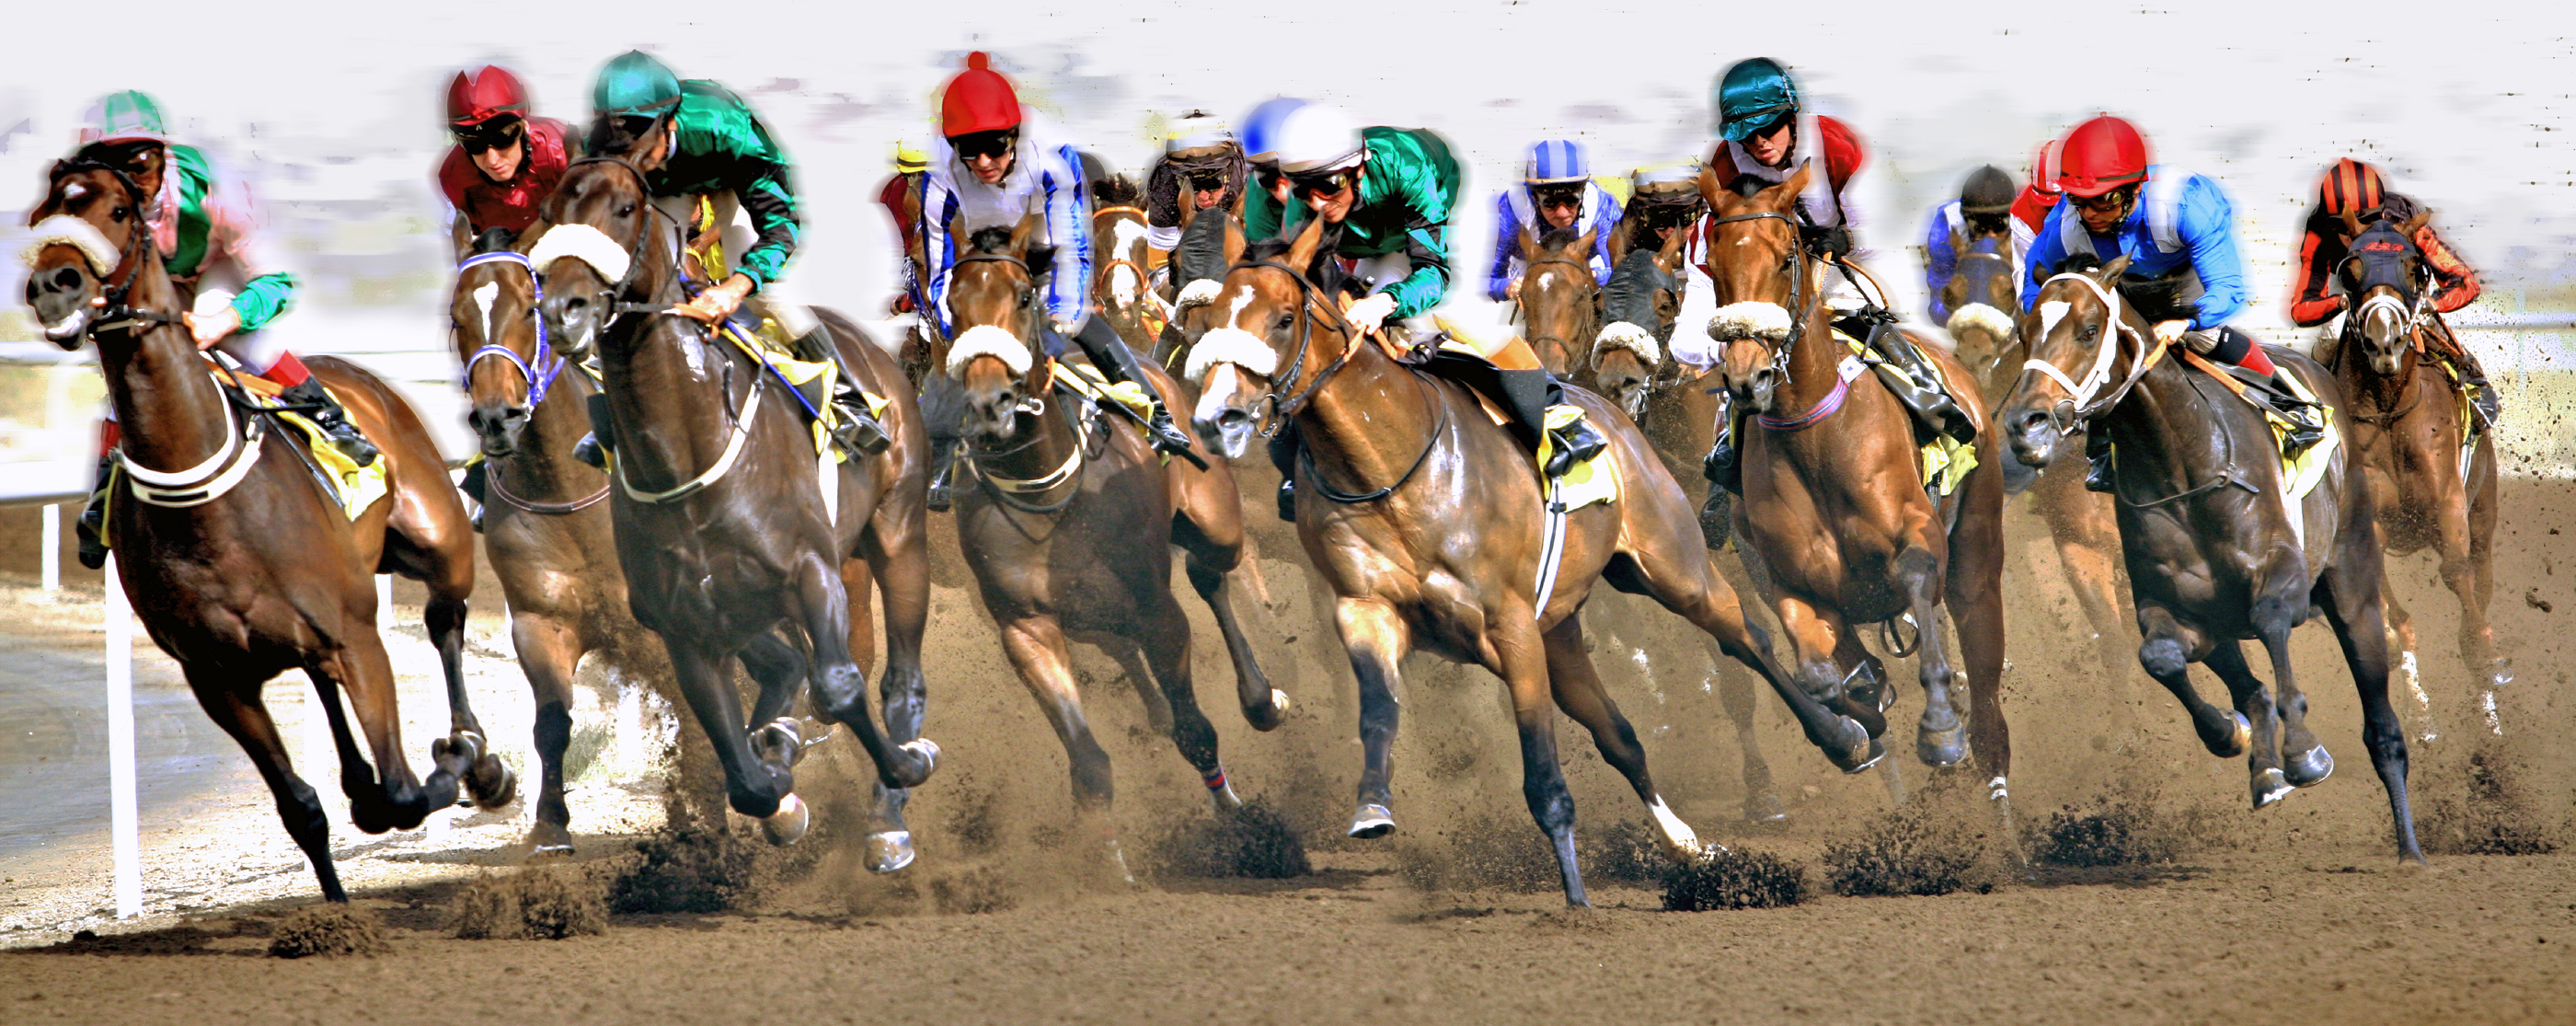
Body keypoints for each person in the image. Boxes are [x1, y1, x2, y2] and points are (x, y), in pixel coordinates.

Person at [58, 91, 368, 569]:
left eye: (139, 163)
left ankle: (330, 421)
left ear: (163, 157)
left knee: (236, 333)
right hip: (158, 283)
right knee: (131, 359)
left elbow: (277, 280)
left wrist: (219, 321)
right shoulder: (89, 210)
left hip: (219, 270)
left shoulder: (215, 192)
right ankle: (105, 486)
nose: (127, 183)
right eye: (108, 167)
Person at [1248, 103, 1604, 515]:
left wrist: (1386, 301)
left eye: (1329, 185)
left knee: (1448, 314)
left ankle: (1557, 419)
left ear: (1359, 169)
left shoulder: (1406, 166)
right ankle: (1299, 459)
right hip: (1369, 241)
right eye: (1300, 188)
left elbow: (1434, 273)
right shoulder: (1299, 197)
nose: (1315, 202)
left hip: (1442, 218)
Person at [575, 50, 890, 464]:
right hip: (670, 187)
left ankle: (851, 402)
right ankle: (620, 409)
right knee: (639, 282)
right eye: (620, 147)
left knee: (768, 296)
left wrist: (735, 288)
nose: (630, 156)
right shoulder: (599, 146)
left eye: (638, 146)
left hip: (732, 176)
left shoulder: (727, 129)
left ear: (669, 122)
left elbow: (781, 224)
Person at [2020, 114, 2327, 491]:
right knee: (2100, 349)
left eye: (2103, 201)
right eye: (2078, 202)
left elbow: (2228, 290)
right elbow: (2033, 293)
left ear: (2134, 188)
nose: (2088, 214)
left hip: (2185, 273)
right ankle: (2100, 450)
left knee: (2205, 337)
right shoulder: (2064, 227)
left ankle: (2288, 403)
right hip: (2120, 280)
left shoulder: (2186, 204)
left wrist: (2186, 323)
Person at [1697, 58, 1963, 488]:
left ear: (1792, 115)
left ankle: (1945, 422)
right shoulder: (1726, 166)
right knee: (1749, 354)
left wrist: (1846, 239)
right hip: (1780, 270)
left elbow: (1879, 223)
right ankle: (1728, 451)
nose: (1759, 142)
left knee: (1892, 326)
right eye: (1747, 134)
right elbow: (1721, 246)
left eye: (1770, 127)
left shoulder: (1837, 145)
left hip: (1857, 258)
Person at [917, 52, 1194, 455]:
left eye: (994, 147)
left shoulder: (1052, 155)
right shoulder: (938, 175)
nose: (982, 162)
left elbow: (1073, 249)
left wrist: (1060, 317)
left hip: (1042, 231)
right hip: (980, 246)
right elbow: (940, 269)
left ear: (1014, 135)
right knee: (963, 329)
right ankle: (938, 450)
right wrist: (957, 329)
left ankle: (1156, 411)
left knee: (1075, 321)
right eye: (968, 150)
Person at [2288, 157, 2496, 424]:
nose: (2356, 234)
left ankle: (2476, 401)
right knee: (2327, 344)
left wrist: (2431, 305)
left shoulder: (2406, 220)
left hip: (2407, 294)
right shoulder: (2319, 232)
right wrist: (2341, 303)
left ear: (2382, 215)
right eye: (2343, 227)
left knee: (2443, 344)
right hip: (2354, 294)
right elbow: (2301, 308)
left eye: (2369, 223)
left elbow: (2465, 281)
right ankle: (2316, 419)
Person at [435, 64, 574, 248]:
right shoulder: (453, 176)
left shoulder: (561, 150)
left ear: (525, 128)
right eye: (473, 144)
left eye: (502, 139)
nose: (492, 159)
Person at [1485, 140, 1621, 302]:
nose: (1562, 213)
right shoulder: (1512, 210)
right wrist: (1507, 287)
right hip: (1529, 271)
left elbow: (1621, 274)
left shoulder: (1601, 207)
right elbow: (1490, 282)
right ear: (1535, 198)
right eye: (1550, 203)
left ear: (1583, 194)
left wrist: (1594, 276)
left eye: (1571, 200)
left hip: (1589, 266)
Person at [1921, 165, 2020, 325]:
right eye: (1979, 227)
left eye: (2000, 225)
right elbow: (1937, 310)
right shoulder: (1944, 231)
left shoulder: (2026, 224)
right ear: (1966, 221)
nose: (1990, 236)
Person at [1143, 110, 1245, 257]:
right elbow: (1162, 258)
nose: (1203, 196)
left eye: (1212, 184)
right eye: (1193, 187)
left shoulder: (1246, 177)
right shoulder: (1164, 184)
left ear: (1228, 177)